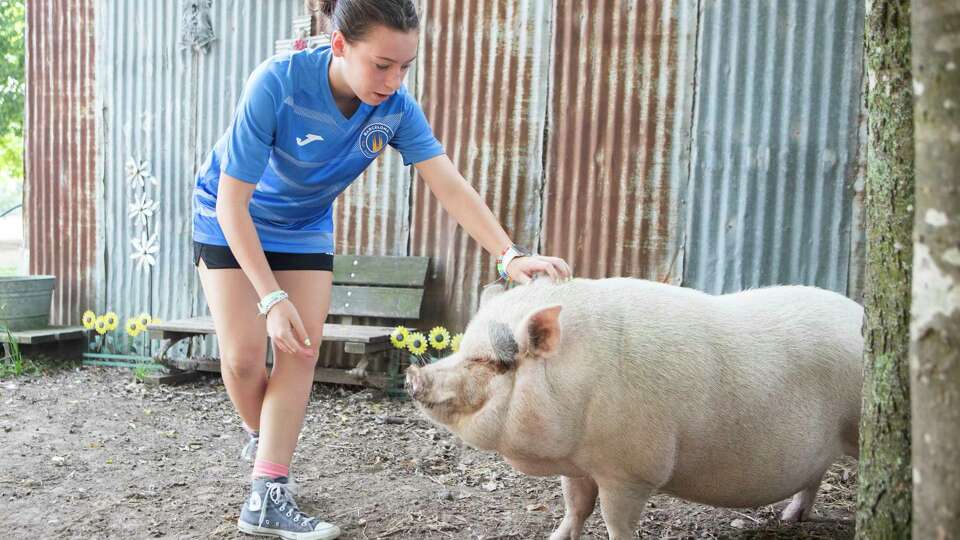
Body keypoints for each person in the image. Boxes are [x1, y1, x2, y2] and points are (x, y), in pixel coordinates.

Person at [191, 0, 572, 538]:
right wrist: (271, 299)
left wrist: (510, 255)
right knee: (243, 360)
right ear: (340, 45)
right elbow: (233, 204)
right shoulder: (275, 85)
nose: (393, 81)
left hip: (302, 226)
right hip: (228, 216)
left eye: (405, 67)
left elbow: (448, 182)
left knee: (300, 349)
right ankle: (263, 441)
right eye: (381, 65)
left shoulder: (394, 108)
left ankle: (267, 490)